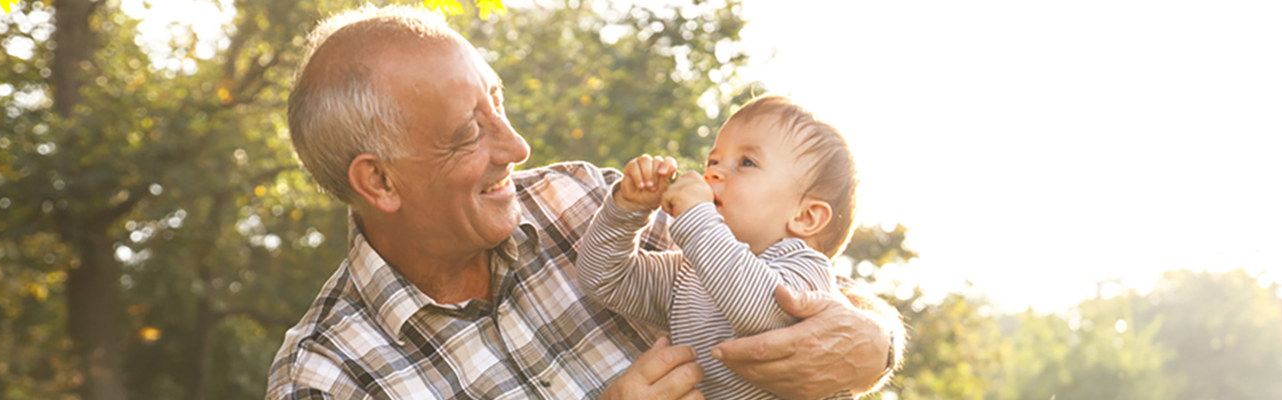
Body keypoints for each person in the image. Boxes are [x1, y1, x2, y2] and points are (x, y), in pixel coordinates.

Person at [264, 5, 903, 400]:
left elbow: (795, 281)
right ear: (378, 182)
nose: (516, 145)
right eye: (468, 132)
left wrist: (877, 339)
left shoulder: (577, 197)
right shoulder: (327, 379)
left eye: (500, 103)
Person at [575, 95, 860, 400]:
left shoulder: (807, 274)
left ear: (805, 217)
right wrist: (627, 209)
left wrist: (697, 216)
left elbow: (760, 311)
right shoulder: (688, 273)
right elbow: (604, 279)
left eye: (746, 163)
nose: (713, 173)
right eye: (713, 161)